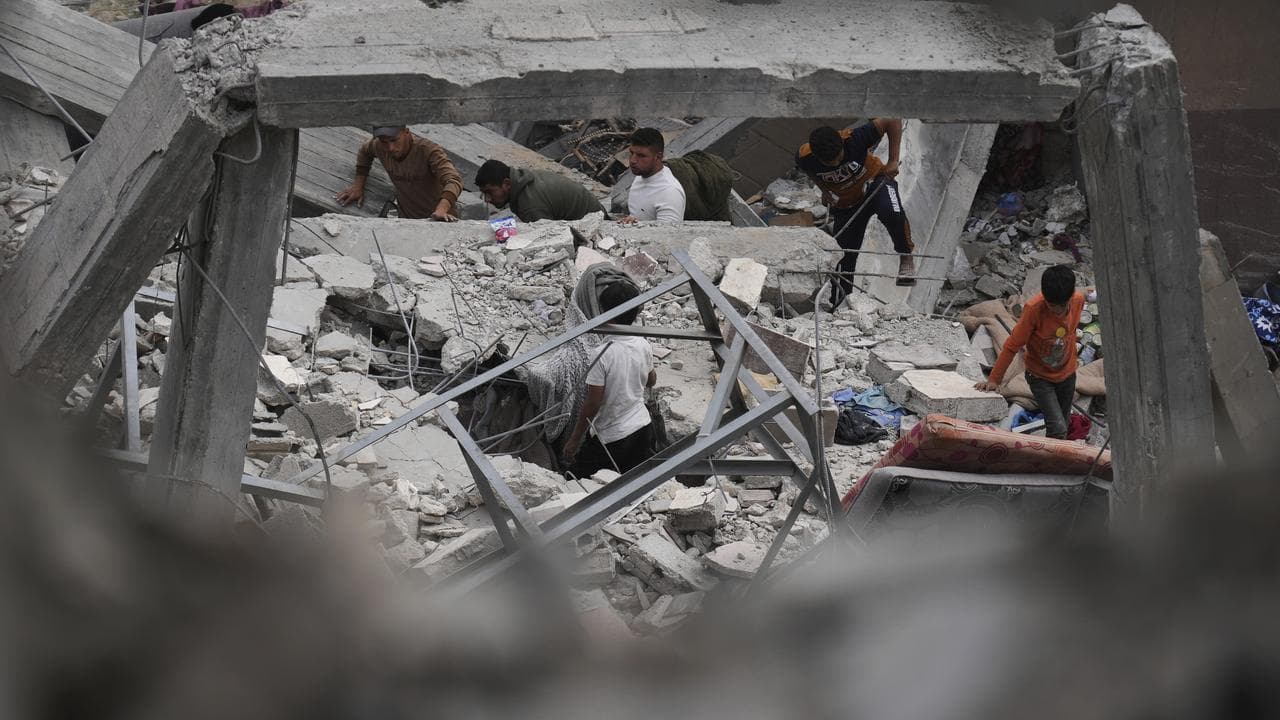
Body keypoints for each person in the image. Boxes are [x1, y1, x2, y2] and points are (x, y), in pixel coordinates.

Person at [796, 119, 916, 307]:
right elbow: (809, 171)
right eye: (830, 162)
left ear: (842, 145)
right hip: (847, 202)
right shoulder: (805, 156)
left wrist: (893, 160)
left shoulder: (855, 138)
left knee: (892, 212)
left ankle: (906, 256)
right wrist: (825, 191)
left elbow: (892, 120)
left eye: (839, 157)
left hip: (875, 183)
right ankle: (841, 303)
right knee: (843, 254)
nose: (836, 163)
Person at [975, 265, 1085, 440]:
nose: (1056, 311)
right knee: (1057, 428)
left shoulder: (1078, 300)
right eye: (1051, 305)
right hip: (1040, 377)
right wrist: (994, 379)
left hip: (1068, 373)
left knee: (1063, 422)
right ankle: (1049, 464)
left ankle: (1057, 457)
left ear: (1070, 296)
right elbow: (1012, 346)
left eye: (1062, 306)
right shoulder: (1034, 310)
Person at [563, 282, 657, 478]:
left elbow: (592, 404)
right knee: (633, 483)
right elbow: (651, 381)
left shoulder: (602, 354)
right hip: (642, 428)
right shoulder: (642, 344)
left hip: (612, 437)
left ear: (605, 313)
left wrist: (574, 440)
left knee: (577, 482)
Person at [336, 126, 463, 221]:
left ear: (406, 132)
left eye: (394, 140)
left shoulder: (427, 150)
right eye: (384, 142)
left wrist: (442, 209)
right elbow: (365, 152)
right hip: (407, 220)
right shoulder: (379, 146)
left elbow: (454, 180)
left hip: (441, 220)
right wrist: (358, 186)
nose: (390, 148)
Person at [474, 160, 607, 222]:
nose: (487, 199)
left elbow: (546, 237)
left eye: (489, 192)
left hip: (595, 221)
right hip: (595, 210)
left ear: (507, 184)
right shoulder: (523, 179)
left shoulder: (530, 205)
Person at [620, 127, 686, 223]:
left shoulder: (669, 192)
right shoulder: (640, 176)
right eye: (631, 153)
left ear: (658, 157)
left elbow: (667, 235)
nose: (633, 160)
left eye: (641, 155)